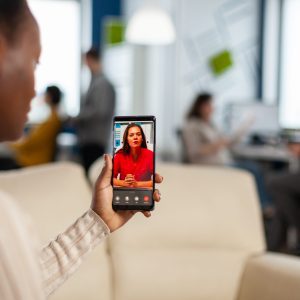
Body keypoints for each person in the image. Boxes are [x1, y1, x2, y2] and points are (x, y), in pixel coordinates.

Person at [0, 1, 162, 299]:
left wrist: (96, 222)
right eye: (34, 63)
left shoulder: (102, 85)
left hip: (92, 139)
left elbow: (25, 285)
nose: (36, 89)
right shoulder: (5, 217)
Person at [182, 93, 270, 209]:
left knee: (255, 167)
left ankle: (262, 205)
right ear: (201, 106)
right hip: (210, 166)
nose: (213, 108)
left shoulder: (210, 124)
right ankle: (263, 206)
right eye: (209, 104)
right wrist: (217, 144)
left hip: (224, 162)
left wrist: (242, 129)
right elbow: (193, 151)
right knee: (253, 170)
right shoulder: (192, 125)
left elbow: (227, 142)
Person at [0, 85, 62, 170]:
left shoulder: (52, 120)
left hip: (33, 161)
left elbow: (32, 143)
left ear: (50, 97)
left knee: (4, 161)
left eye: (45, 94)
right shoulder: (52, 118)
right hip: (30, 157)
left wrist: (13, 145)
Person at [75, 47, 116, 173]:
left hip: (95, 140)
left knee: (93, 174)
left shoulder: (102, 84)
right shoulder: (95, 82)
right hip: (90, 140)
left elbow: (99, 111)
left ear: (89, 60)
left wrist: (77, 117)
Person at [113, 123, 153, 188]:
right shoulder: (119, 155)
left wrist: (137, 184)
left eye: (138, 134)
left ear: (142, 138)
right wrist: (124, 183)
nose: (135, 137)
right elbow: (110, 179)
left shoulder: (150, 154)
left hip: (144, 193)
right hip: (124, 192)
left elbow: (155, 182)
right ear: (127, 140)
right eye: (131, 135)